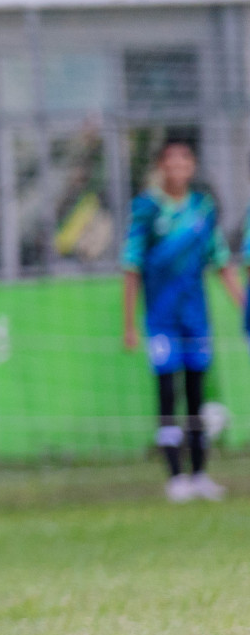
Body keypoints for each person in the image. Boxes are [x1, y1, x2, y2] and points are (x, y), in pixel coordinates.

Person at [122, 139, 242, 501]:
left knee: (195, 392)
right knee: (167, 392)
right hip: (161, 319)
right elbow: (131, 267)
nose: (178, 165)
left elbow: (220, 259)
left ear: (192, 165)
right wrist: (128, 324)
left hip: (196, 319)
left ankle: (201, 473)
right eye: (170, 159)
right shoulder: (145, 209)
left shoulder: (202, 209)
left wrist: (244, 305)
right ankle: (176, 477)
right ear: (161, 165)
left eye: (185, 159)